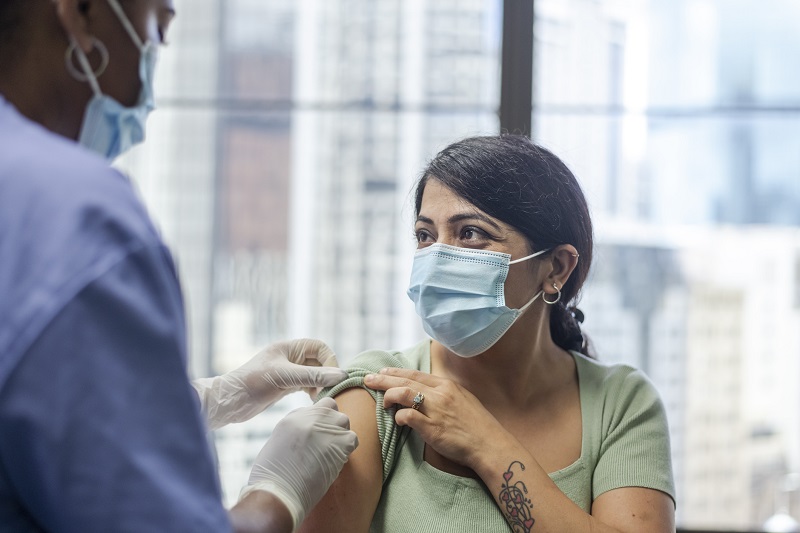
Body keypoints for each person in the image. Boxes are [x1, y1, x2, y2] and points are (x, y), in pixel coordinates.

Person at [0, 0, 357, 532]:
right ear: (81, 12)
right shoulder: (75, 216)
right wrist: (276, 492)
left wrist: (212, 398)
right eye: (157, 27)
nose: (151, 59)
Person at [301, 135, 676, 532]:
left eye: (470, 234)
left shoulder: (621, 404)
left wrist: (485, 443)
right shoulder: (379, 391)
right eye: (425, 235)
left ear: (556, 268)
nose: (437, 258)